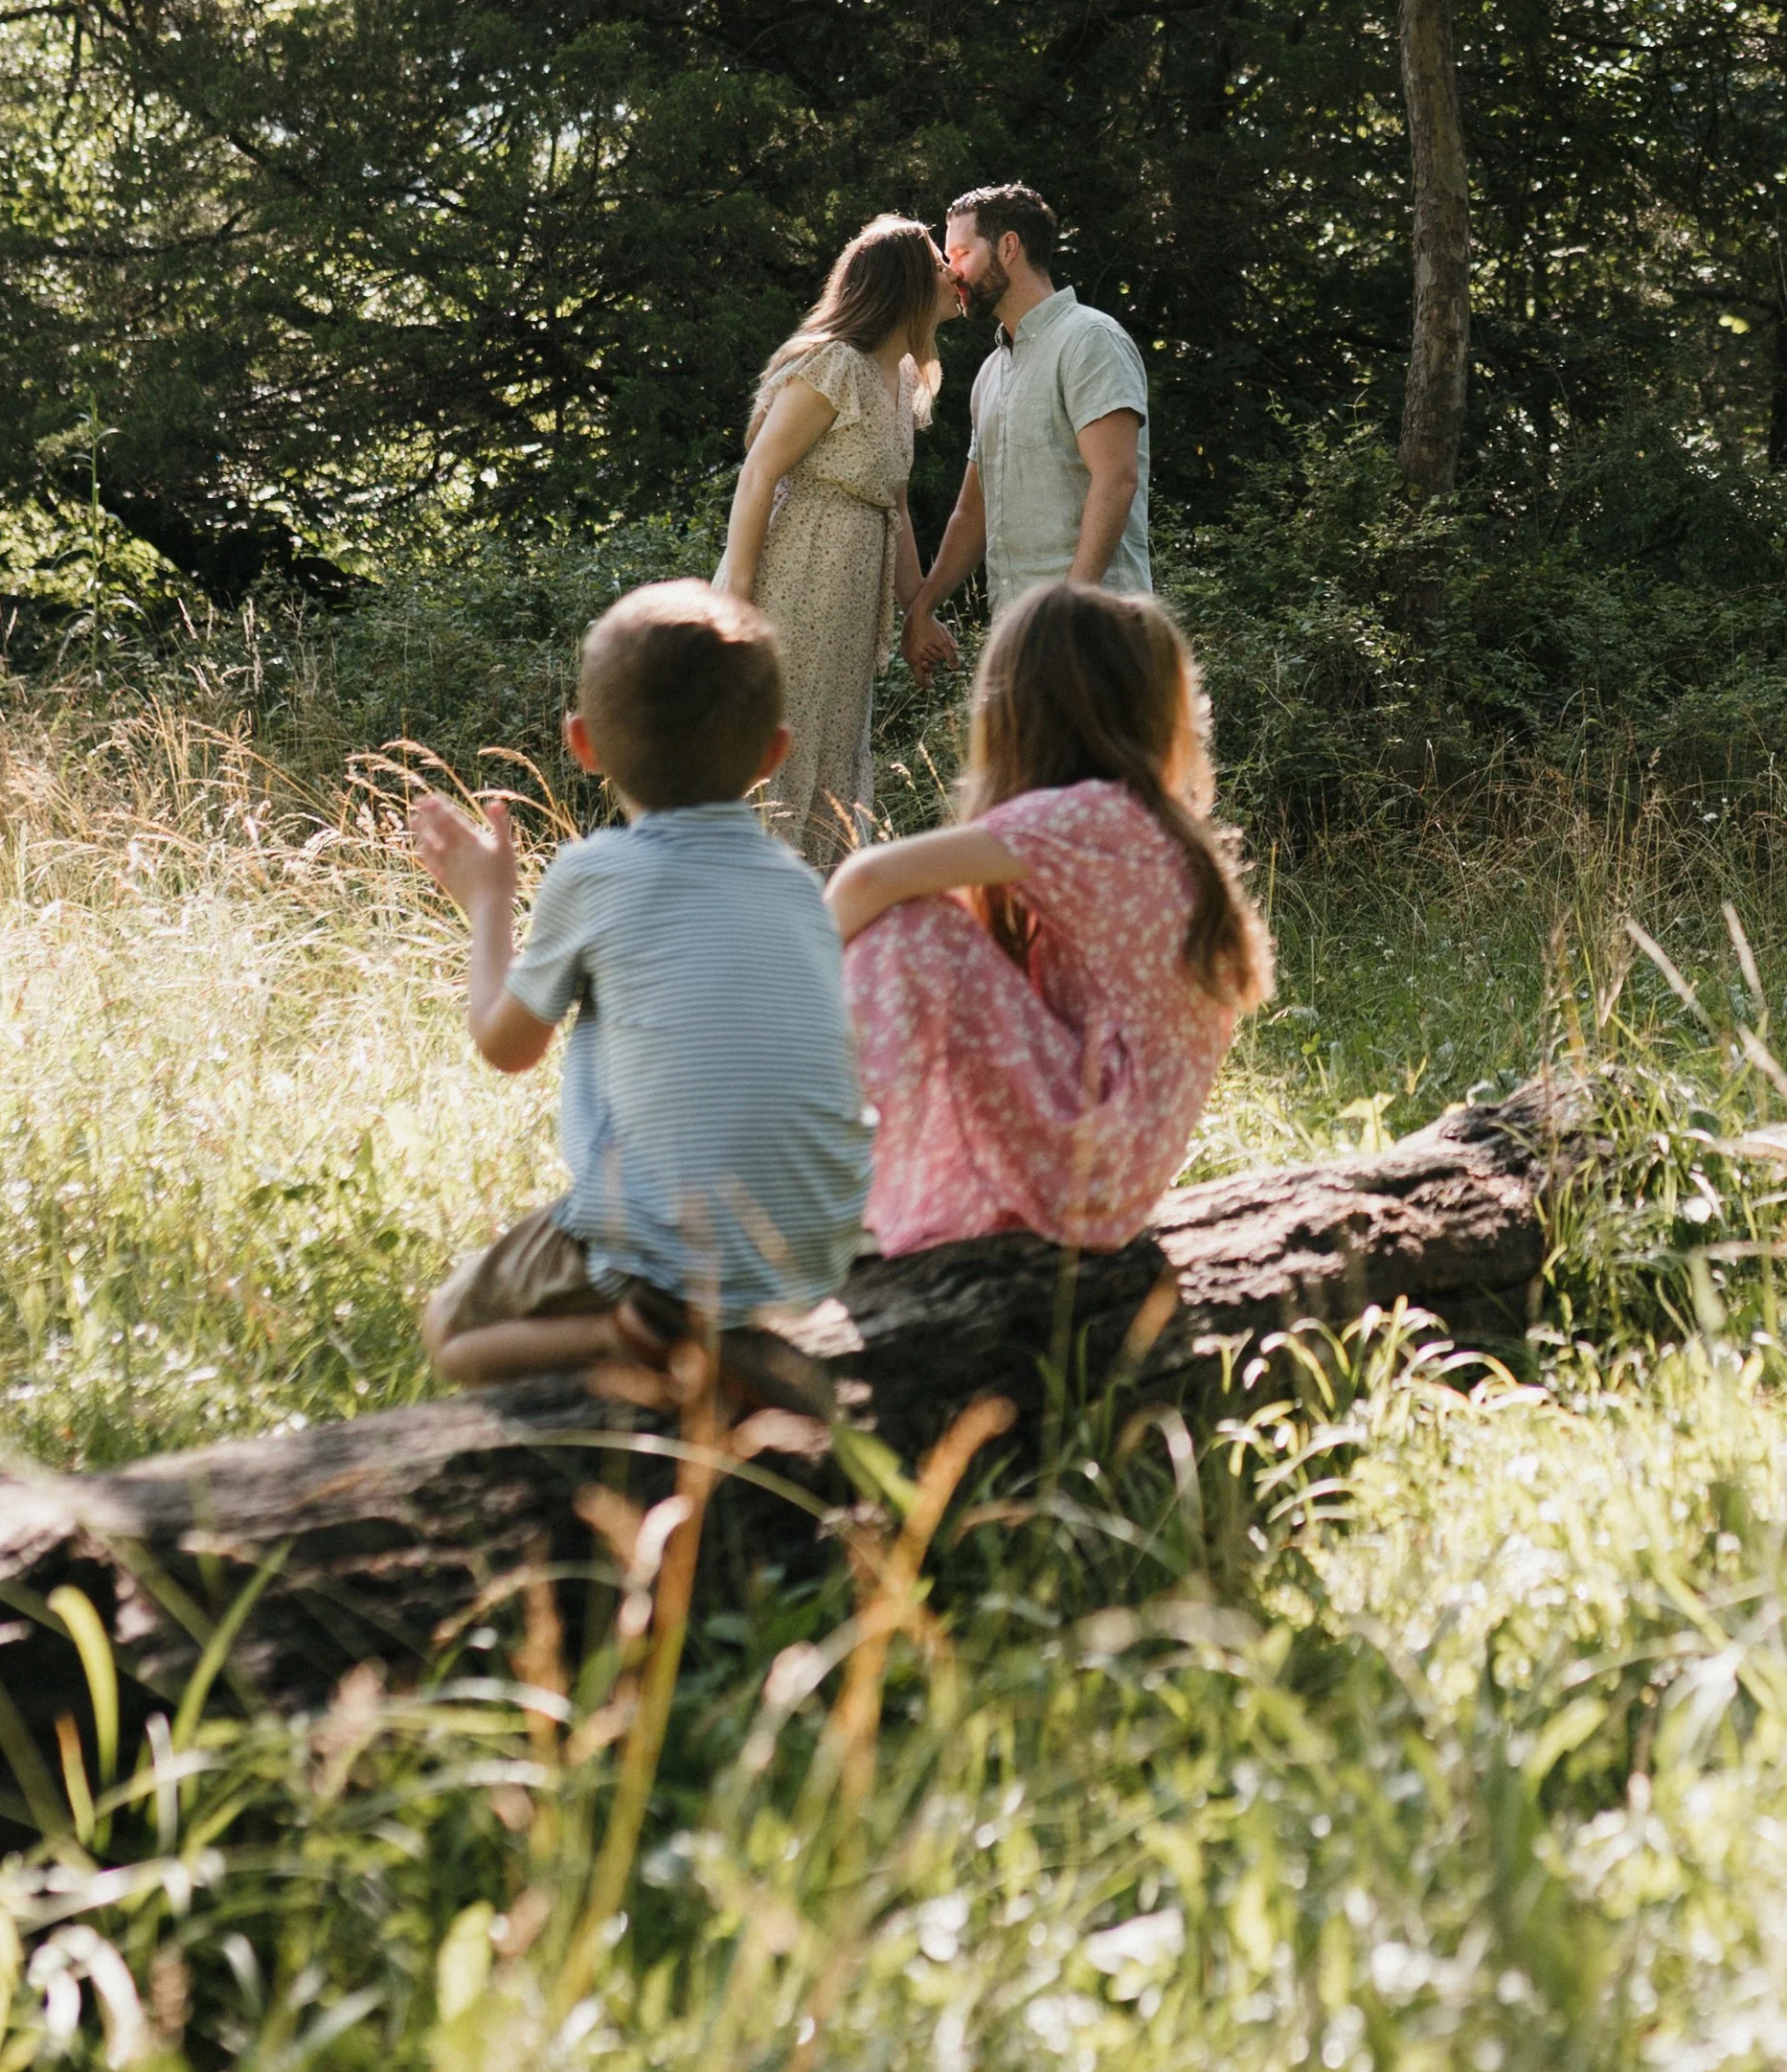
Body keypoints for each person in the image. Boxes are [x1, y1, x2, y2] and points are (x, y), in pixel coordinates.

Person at [407, 579, 871, 1400]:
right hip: (818, 1241)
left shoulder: (595, 874)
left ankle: (635, 1336)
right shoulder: (800, 884)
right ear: (773, 753)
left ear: (581, 744)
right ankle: (706, 1345)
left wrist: (487, 900)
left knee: (451, 1331)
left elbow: (504, 1044)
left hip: (669, 1254)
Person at [826, 581, 1271, 1255]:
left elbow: (867, 877)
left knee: (908, 929)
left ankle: (833, 1185)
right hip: (1116, 1171)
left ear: (1022, 709)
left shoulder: (1089, 816)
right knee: (943, 920)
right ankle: (887, 1191)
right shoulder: (1139, 824)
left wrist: (786, 995)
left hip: (1093, 1164)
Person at [715, 216, 963, 866]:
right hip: (796, 584)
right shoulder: (836, 366)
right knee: (783, 744)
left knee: (828, 749)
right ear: (906, 282)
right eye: (939, 262)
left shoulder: (903, 382)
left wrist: (919, 612)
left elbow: (897, 505)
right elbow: (760, 471)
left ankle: (816, 910)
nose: (952, 272)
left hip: (850, 610)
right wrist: (737, 601)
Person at [903, 184, 1148, 682]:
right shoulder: (991, 371)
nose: (953, 272)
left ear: (1009, 248)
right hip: (1018, 642)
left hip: (1097, 637)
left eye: (963, 253)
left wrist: (1067, 614)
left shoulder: (1090, 340)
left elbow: (1116, 480)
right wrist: (922, 608)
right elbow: (973, 510)